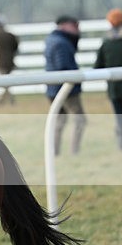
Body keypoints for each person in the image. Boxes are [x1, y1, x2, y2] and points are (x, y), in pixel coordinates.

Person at [44, 15, 87, 155]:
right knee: (79, 120)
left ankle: (54, 152)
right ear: (64, 25)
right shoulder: (61, 43)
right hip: (65, 88)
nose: (76, 29)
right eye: (73, 25)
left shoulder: (53, 40)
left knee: (59, 122)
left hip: (54, 87)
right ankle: (74, 151)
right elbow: (62, 66)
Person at [94, 8, 122, 150]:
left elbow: (98, 66)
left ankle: (121, 144)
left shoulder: (106, 43)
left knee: (119, 117)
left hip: (114, 88)